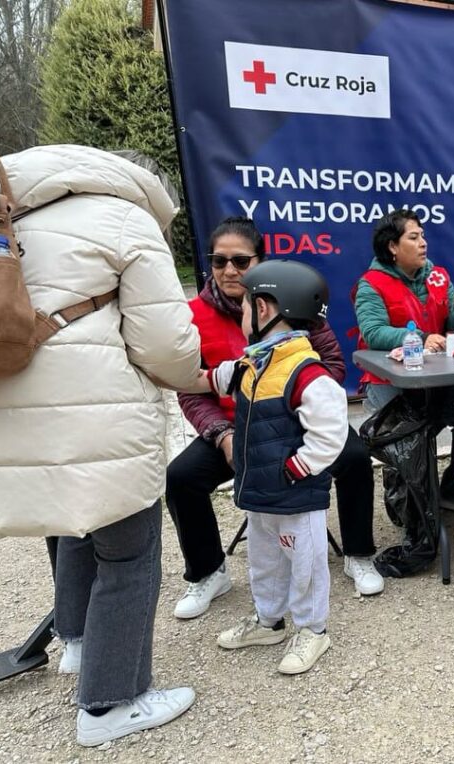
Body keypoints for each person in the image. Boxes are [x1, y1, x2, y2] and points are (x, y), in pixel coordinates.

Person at [0, 145, 201, 745]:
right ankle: (109, 704)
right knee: (128, 554)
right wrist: (189, 376)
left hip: (3, 409)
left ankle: (77, 644)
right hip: (98, 413)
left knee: (72, 525)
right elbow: (167, 345)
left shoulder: (1, 209)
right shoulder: (124, 217)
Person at [166, 218, 382, 613]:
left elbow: (332, 367)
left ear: (259, 263)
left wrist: (293, 408)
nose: (228, 270)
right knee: (181, 477)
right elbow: (194, 388)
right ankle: (209, 572)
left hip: (297, 423)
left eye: (240, 261)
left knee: (353, 457)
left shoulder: (294, 303)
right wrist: (224, 435)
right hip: (235, 429)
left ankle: (358, 553)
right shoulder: (192, 315)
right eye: (218, 261)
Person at [200, 259, 347, 675]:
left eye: (245, 305)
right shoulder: (253, 363)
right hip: (261, 492)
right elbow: (209, 379)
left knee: (306, 564)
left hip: (295, 493)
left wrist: (298, 467)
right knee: (264, 560)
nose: (242, 313)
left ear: (263, 309)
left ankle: (313, 630)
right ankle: (269, 620)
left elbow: (330, 434)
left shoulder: (307, 373)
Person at [353, 208, 454, 515]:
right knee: (403, 444)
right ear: (392, 247)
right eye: (414, 237)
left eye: (423, 235)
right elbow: (373, 332)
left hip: (436, 378)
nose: (423, 242)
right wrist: (419, 338)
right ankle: (412, 513)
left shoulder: (438, 276)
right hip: (390, 381)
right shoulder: (371, 284)